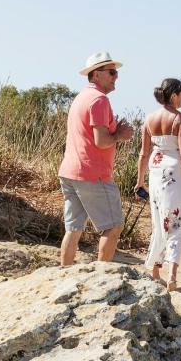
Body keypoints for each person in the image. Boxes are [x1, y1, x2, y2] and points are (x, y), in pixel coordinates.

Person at [58, 52, 134, 266]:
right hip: (92, 174)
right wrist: (120, 135)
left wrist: (115, 133)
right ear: (96, 74)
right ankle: (102, 276)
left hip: (70, 171)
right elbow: (101, 141)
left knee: (73, 228)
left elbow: (90, 136)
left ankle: (64, 272)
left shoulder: (81, 97)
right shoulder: (99, 100)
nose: (116, 76)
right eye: (112, 72)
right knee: (113, 226)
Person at [136, 77, 181, 290]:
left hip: (156, 170)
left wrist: (140, 181)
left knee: (159, 222)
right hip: (174, 171)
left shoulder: (149, 119)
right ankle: (172, 276)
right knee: (175, 221)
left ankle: (156, 272)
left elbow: (143, 153)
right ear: (174, 95)